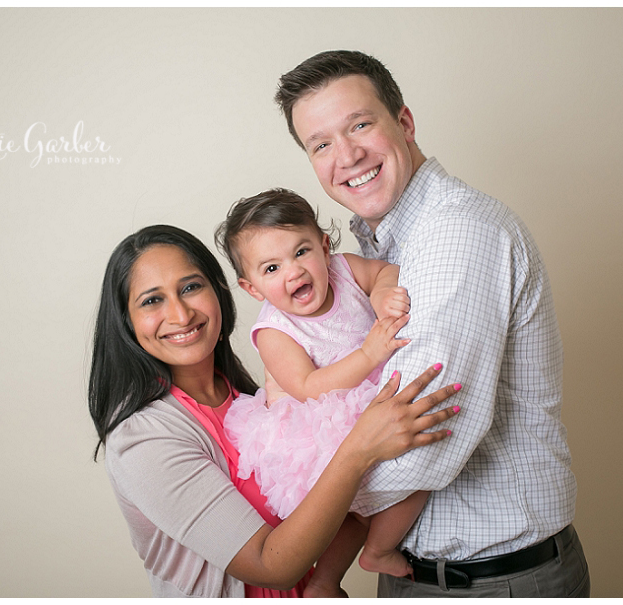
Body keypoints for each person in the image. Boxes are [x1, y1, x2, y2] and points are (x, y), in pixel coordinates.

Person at [274, 50, 590, 597]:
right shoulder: (376, 255)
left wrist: (299, 490)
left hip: (493, 581)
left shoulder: (454, 236)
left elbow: (422, 446)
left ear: (404, 122)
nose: (345, 156)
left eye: (360, 124)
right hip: (417, 571)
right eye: (320, 144)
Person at [88, 224, 461, 597]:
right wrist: (361, 447)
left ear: (220, 292)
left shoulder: (248, 402)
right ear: (126, 323)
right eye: (152, 300)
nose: (181, 314)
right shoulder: (145, 438)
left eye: (190, 287)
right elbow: (270, 566)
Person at [216, 189, 457, 596]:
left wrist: (381, 293)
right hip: (316, 426)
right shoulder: (275, 331)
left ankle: (368, 555)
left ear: (325, 247)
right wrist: (368, 354)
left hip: (366, 402)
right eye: (271, 268)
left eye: (301, 252)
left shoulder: (344, 269)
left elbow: (384, 271)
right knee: (360, 505)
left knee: (409, 477)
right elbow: (308, 387)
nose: (293, 272)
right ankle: (331, 577)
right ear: (252, 287)